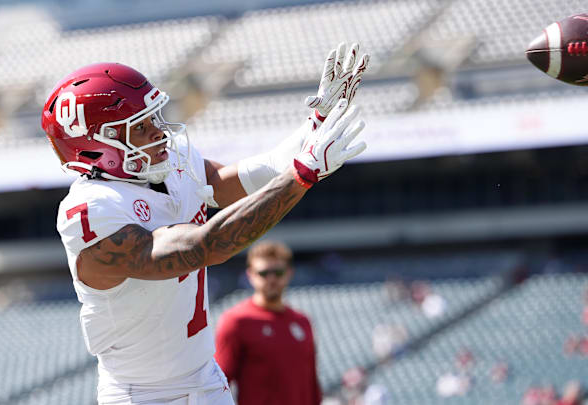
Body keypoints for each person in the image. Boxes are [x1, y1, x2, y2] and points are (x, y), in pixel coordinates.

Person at [44, 42, 369, 405]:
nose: (158, 132)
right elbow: (203, 247)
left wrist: (315, 125)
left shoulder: (170, 165)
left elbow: (242, 180)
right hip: (144, 396)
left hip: (206, 379)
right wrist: (301, 174)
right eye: (139, 127)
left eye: (154, 117)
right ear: (97, 147)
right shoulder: (93, 209)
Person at [214, 240, 320, 405]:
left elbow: (312, 384)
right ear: (250, 275)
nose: (271, 279)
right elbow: (219, 385)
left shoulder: (302, 321)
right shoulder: (236, 321)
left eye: (278, 272)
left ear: (289, 273)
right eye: (263, 273)